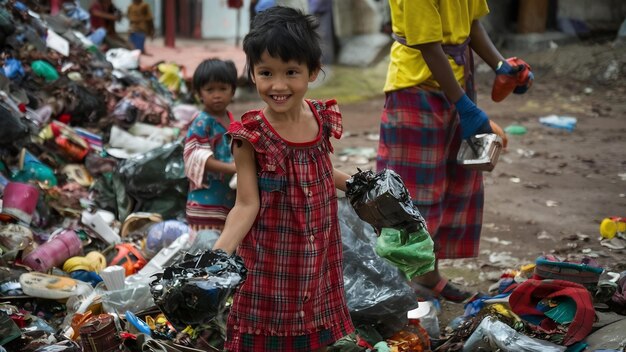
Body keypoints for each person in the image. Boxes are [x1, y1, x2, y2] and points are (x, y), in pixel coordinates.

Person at [212, 6, 355, 351]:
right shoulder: (251, 135)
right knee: (267, 332)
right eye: (266, 73)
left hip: (319, 252)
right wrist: (216, 258)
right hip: (270, 259)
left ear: (313, 71)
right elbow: (246, 204)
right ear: (252, 74)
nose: (278, 85)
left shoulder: (321, 118)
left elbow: (319, 170)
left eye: (291, 72)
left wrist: (360, 187)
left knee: (313, 330)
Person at [376, 1, 533, 303]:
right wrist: (465, 106)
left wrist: (502, 66)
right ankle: (399, 288)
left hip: (458, 83)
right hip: (415, 88)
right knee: (412, 194)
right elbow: (428, 45)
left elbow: (472, 23)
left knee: (451, 184)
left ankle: (429, 277)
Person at [183, 59, 238, 231]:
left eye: (223, 89)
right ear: (199, 93)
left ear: (232, 91)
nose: (217, 95)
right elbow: (195, 156)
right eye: (210, 90)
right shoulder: (202, 122)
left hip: (228, 201)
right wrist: (232, 168)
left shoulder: (231, 119)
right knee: (207, 250)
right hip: (204, 205)